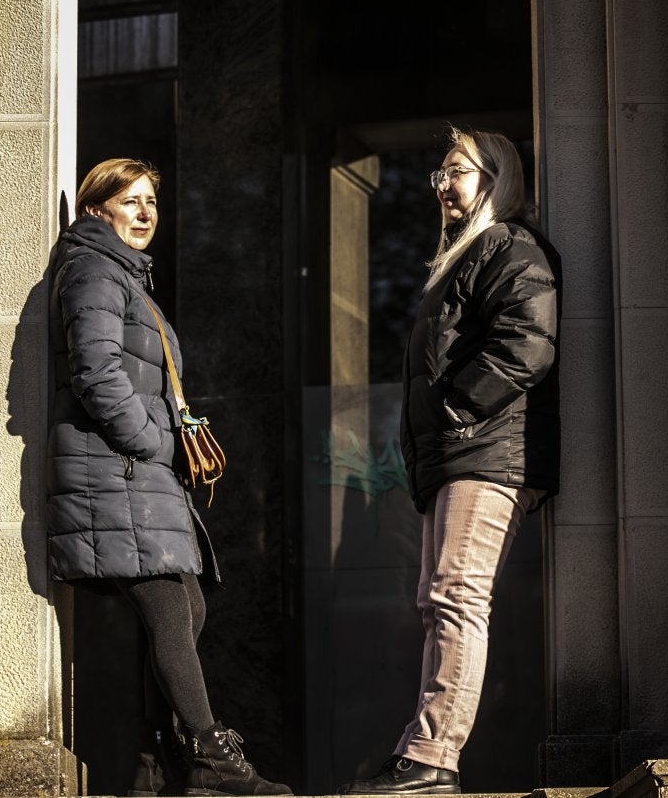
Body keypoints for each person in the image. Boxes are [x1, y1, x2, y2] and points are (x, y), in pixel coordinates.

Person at [47, 158, 290, 798]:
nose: (146, 212)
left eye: (151, 201)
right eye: (130, 200)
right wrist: (153, 442)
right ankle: (209, 755)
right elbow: (97, 372)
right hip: (115, 471)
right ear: (96, 208)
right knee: (169, 607)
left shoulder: (123, 274)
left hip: (134, 474)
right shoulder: (94, 271)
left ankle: (153, 767)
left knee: (187, 606)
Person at [342, 128, 562, 795]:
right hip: (460, 453)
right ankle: (425, 751)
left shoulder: (508, 246)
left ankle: (434, 756)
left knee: (457, 595)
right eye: (438, 173)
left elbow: (528, 343)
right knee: (439, 598)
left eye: (456, 171)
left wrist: (456, 409)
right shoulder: (465, 256)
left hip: (487, 453)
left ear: (495, 178)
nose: (442, 184)